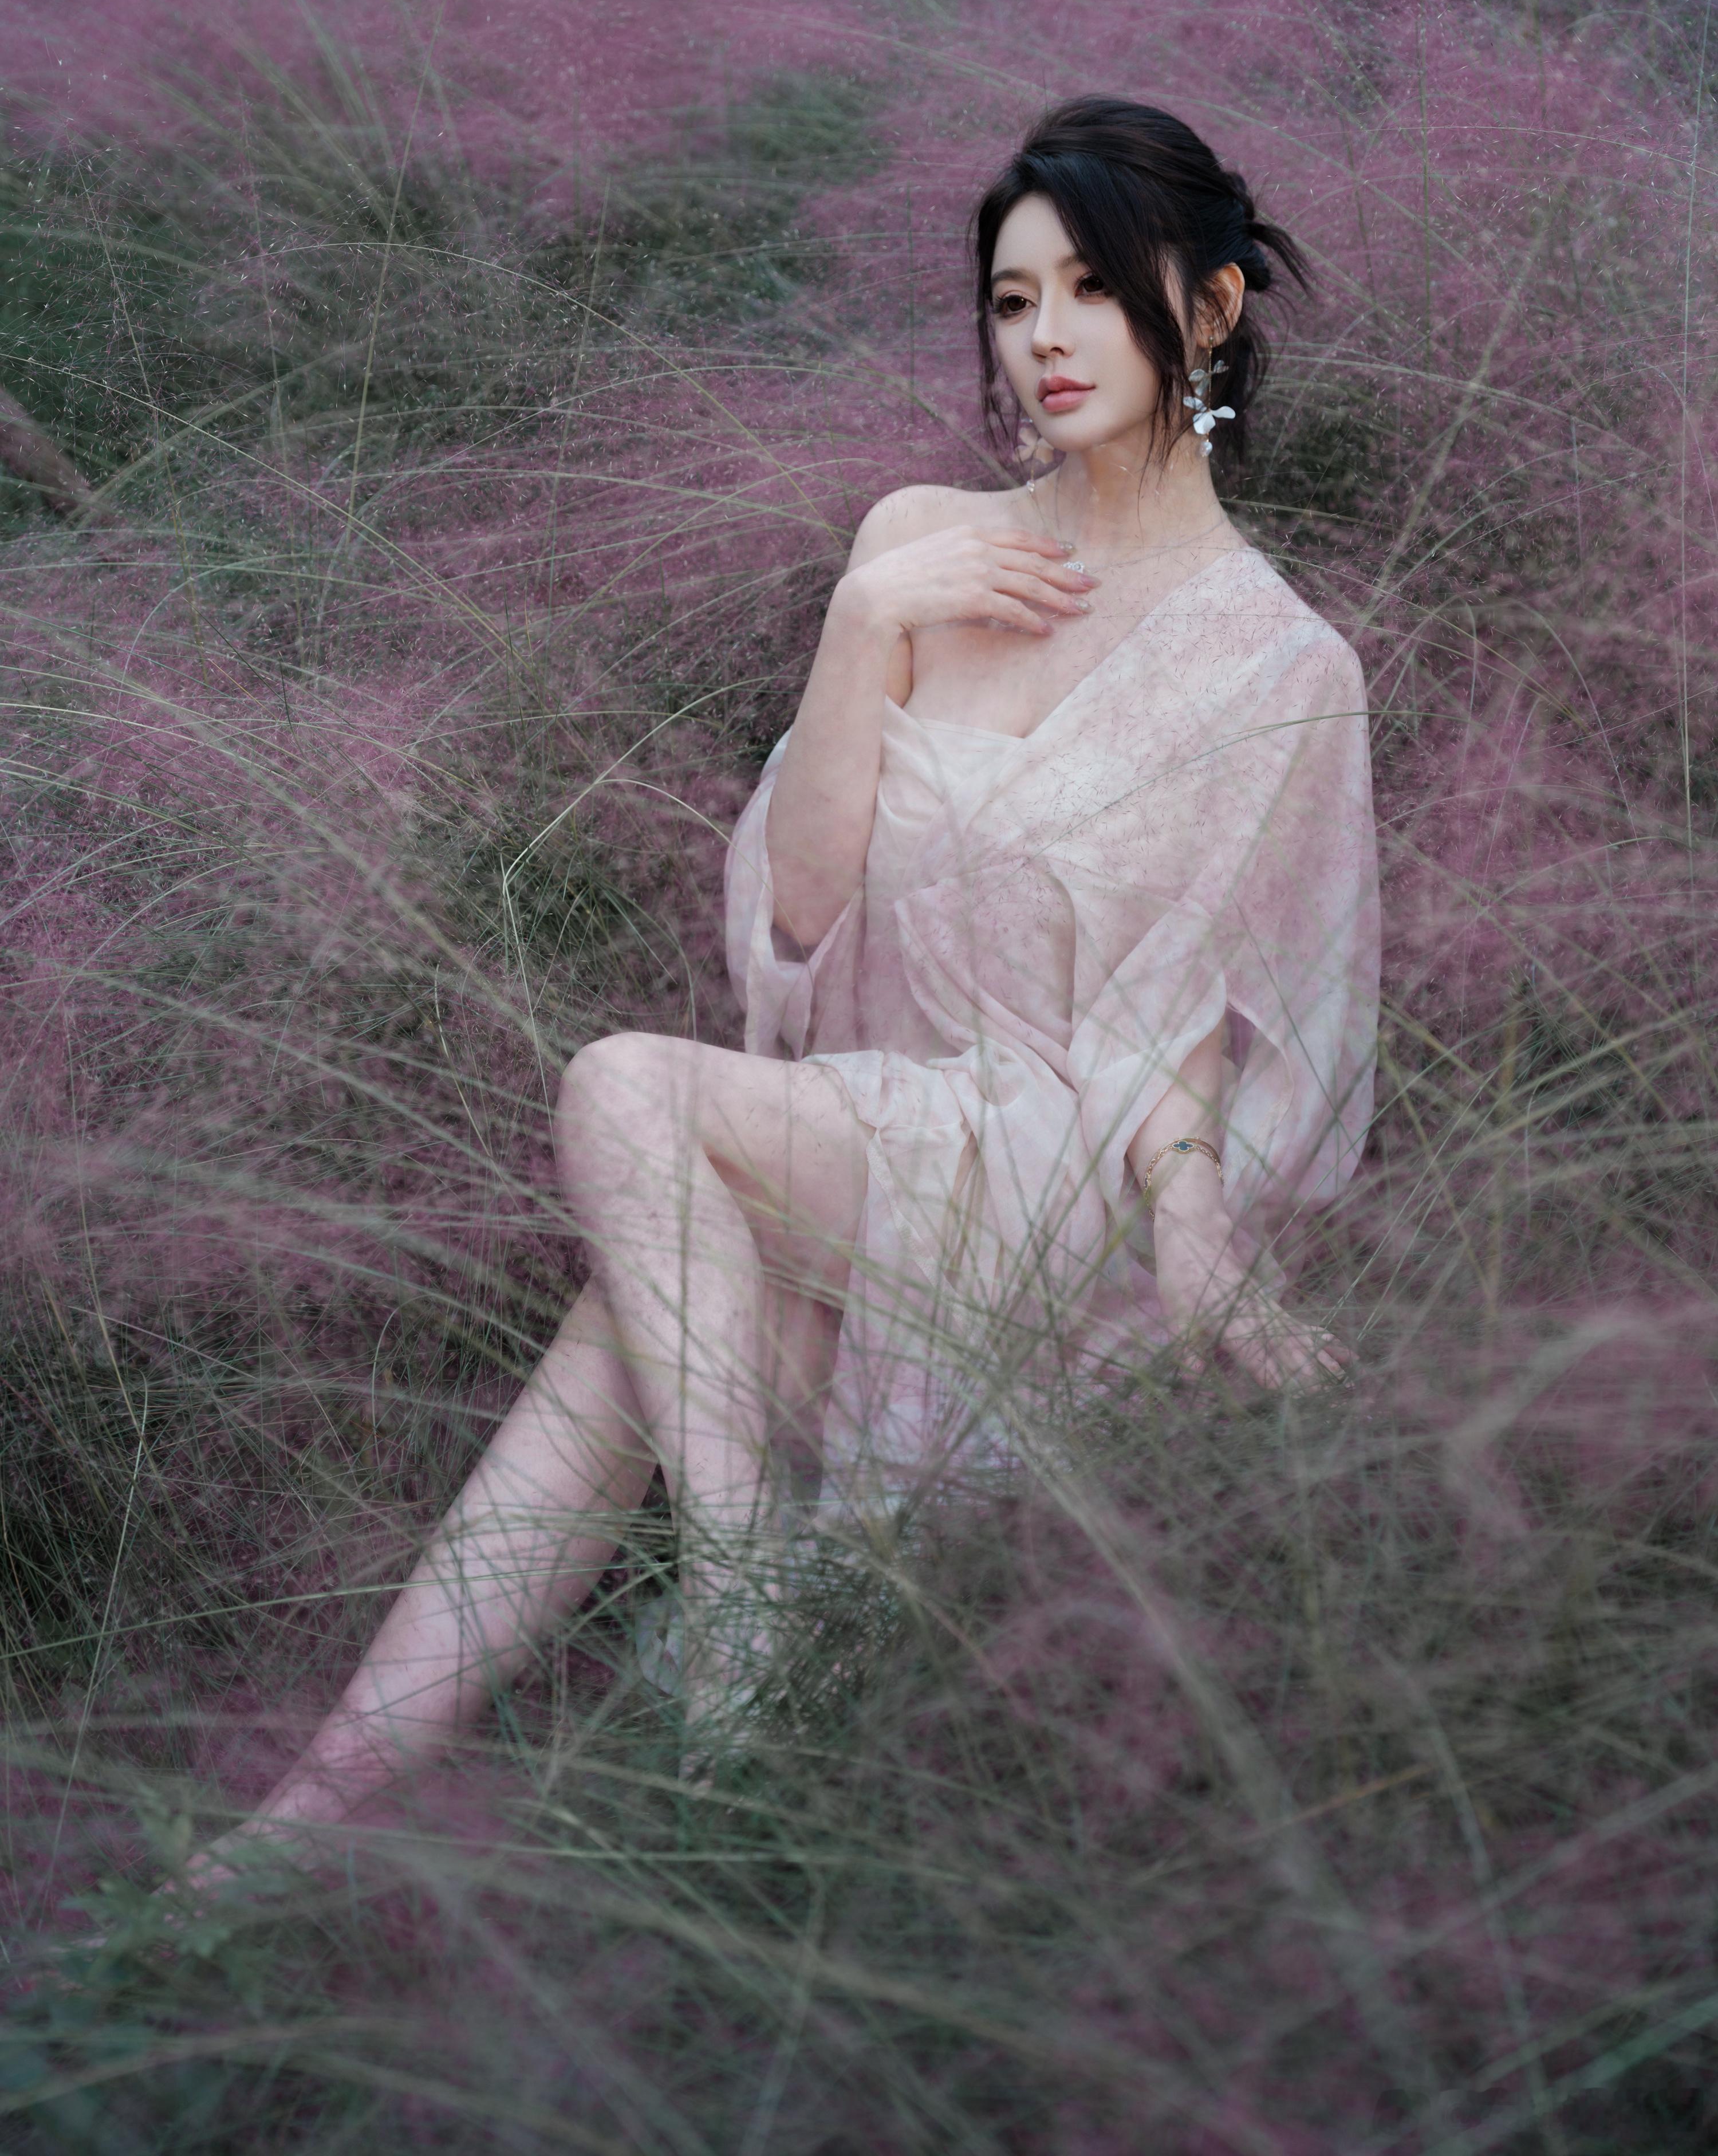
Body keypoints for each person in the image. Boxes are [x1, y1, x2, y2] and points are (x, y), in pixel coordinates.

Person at [191, 96, 1378, 1867]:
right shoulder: (924, 540)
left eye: (1092, 289)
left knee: (625, 1089)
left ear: (1205, 310)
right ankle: (293, 1838)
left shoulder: (1284, 667)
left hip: (1060, 1183)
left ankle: (726, 1602)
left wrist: (1199, 1222)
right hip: (875, 1128)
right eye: (1012, 300)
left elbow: (1193, 1024)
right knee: (622, 1338)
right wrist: (861, 621)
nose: (1046, 337)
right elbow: (801, 921)